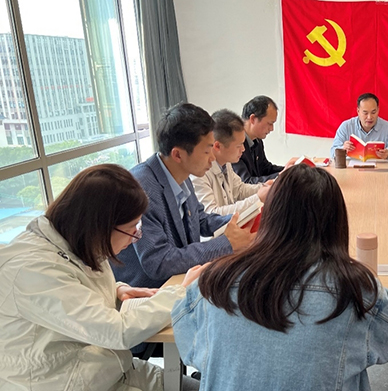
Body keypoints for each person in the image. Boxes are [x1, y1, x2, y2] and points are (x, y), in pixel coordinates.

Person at [172, 164, 388, 391]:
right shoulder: (356, 289)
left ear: (269, 215)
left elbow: (188, 347)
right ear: (336, 223)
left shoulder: (217, 281)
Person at [0, 164, 203, 391]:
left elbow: (72, 290)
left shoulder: (76, 241)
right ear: (100, 225)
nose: (136, 237)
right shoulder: (31, 270)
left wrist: (117, 290)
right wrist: (181, 292)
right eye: (132, 229)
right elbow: (118, 331)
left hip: (109, 371)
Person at [113, 103, 254, 289]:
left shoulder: (181, 173)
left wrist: (241, 220)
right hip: (151, 292)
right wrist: (225, 244)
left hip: (180, 280)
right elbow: (159, 262)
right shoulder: (142, 189)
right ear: (178, 155)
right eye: (207, 151)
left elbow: (200, 219)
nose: (212, 158)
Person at [191, 109, 273, 215]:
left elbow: (239, 189)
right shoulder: (198, 173)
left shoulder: (225, 163)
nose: (243, 149)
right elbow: (212, 214)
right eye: (239, 145)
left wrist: (267, 187)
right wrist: (257, 198)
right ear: (217, 146)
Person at [231, 96, 293, 183]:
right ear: (253, 119)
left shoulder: (257, 140)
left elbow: (265, 168)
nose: (272, 129)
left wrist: (290, 170)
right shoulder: (234, 143)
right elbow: (246, 182)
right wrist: (281, 175)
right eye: (269, 123)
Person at [330, 93, 388, 162]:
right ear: (358, 111)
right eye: (365, 113)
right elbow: (332, 152)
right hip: (352, 169)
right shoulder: (346, 126)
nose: (369, 117)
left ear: (378, 110)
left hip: (379, 169)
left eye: (373, 112)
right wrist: (343, 149)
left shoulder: (387, 127)